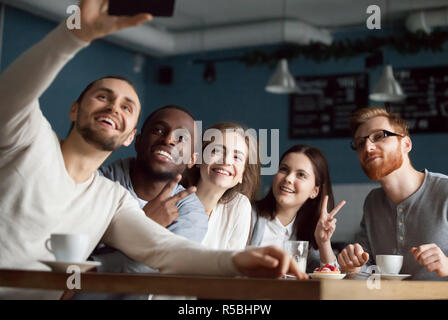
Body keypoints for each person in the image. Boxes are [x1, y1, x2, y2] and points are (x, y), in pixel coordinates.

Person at [0, 0, 307, 299]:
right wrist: (73, 35)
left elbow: (164, 249)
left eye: (126, 106)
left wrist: (234, 262)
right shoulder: (29, 137)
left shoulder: (111, 198)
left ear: (129, 136)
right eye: (103, 97)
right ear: (74, 110)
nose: (114, 107)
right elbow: (12, 94)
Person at [72, 105, 208, 300]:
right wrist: (145, 224)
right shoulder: (96, 183)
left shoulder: (190, 213)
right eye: (158, 130)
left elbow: (157, 266)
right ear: (138, 141)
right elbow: (70, 257)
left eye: (181, 138)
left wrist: (92, 265)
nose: (168, 139)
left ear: (192, 160)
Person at [337, 107, 448, 280]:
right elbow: (367, 274)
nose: (367, 147)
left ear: (406, 144)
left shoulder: (446, 191)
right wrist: (353, 268)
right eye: (360, 143)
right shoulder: (373, 203)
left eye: (379, 136)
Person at [249, 144, 346, 273]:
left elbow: (330, 278)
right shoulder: (248, 213)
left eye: (301, 175)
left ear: (314, 191)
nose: (288, 178)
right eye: (284, 169)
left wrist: (324, 243)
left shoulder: (307, 235)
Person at [183, 122, 260, 250]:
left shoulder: (239, 206)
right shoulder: (173, 200)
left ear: (242, 175)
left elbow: (232, 265)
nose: (226, 161)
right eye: (217, 151)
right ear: (198, 159)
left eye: (237, 157)